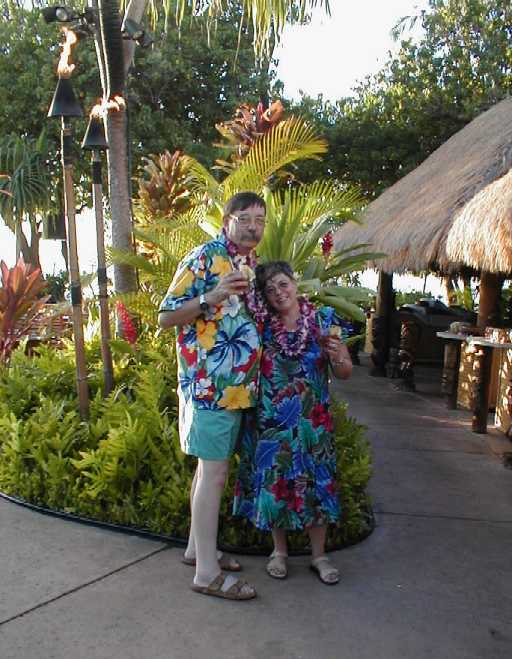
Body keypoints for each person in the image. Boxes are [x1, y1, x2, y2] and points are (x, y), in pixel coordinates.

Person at [158, 192, 266, 600]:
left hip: (236, 390)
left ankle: (195, 550)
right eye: (245, 218)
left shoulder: (249, 263)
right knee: (215, 474)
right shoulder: (204, 257)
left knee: (209, 471)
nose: (253, 226)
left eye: (260, 219)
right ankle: (206, 573)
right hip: (209, 388)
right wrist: (211, 296)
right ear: (226, 222)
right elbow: (166, 316)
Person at [233, 261, 352, 585]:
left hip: (313, 422)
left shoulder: (323, 321)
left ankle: (319, 556)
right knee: (277, 483)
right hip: (272, 423)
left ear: (295, 282)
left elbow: (344, 372)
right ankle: (279, 551)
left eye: (282, 284)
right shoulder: (261, 326)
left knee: (317, 485)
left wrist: (338, 354)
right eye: (270, 290)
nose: (278, 293)